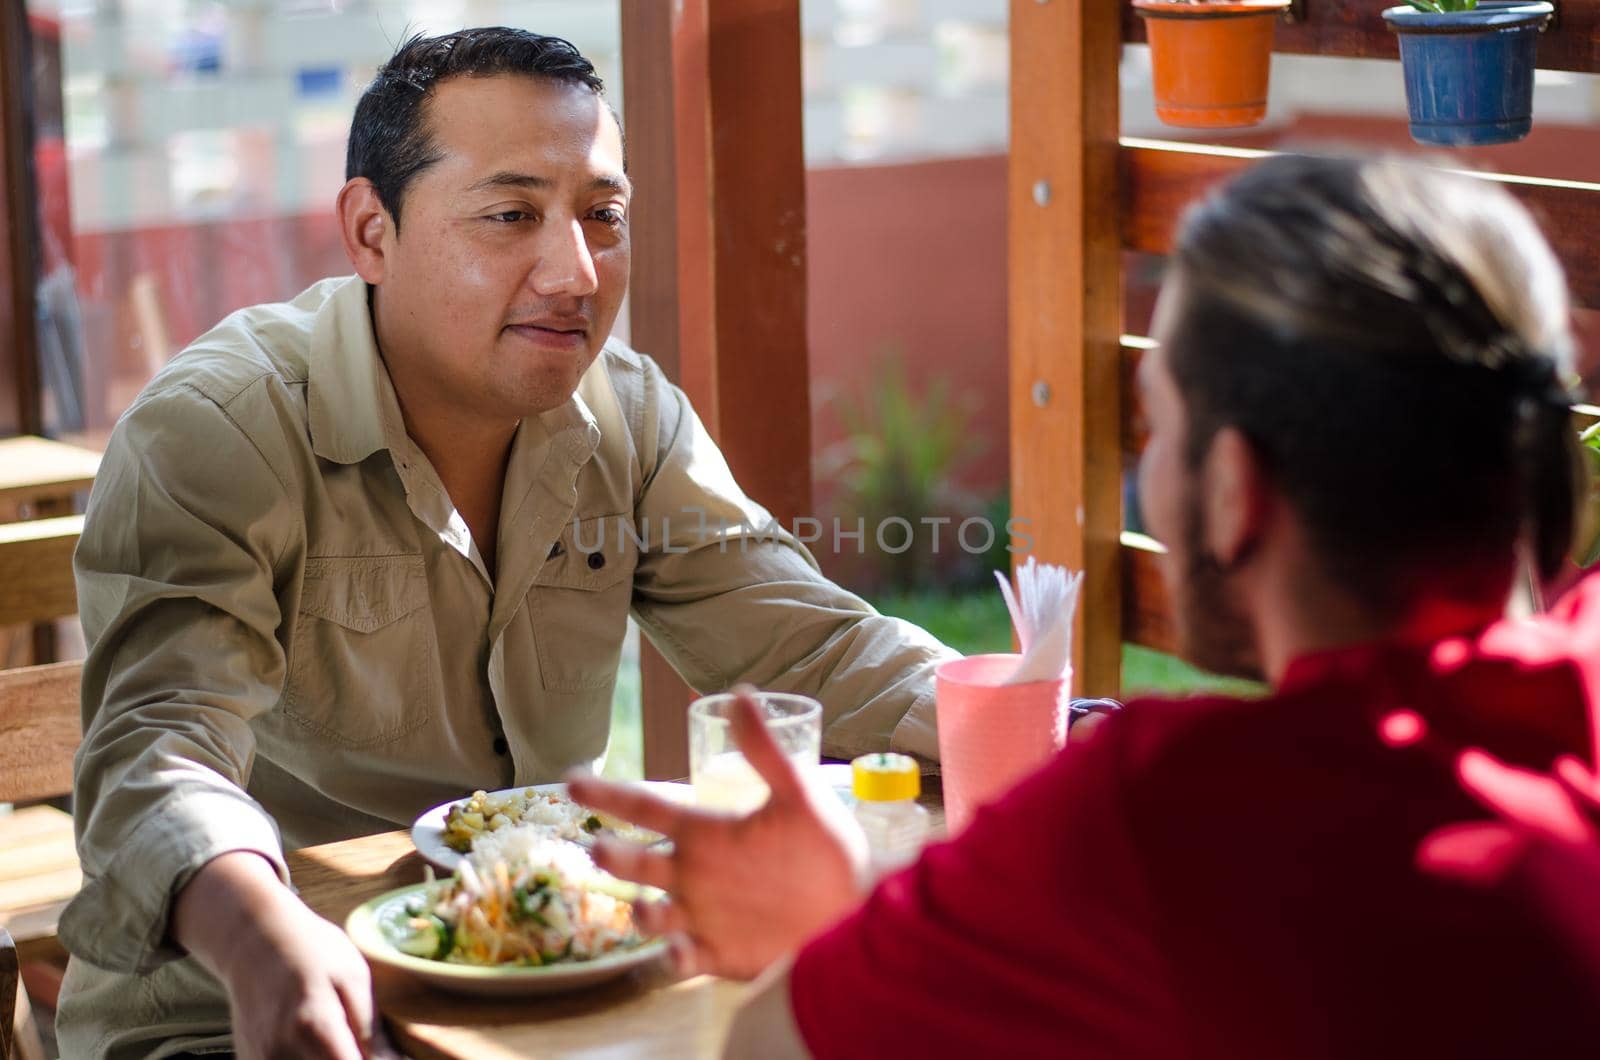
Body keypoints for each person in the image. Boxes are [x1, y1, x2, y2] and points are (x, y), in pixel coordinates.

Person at [571, 154, 1600, 1058]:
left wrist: (839, 933)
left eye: (1155, 425)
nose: (1148, 467)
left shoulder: (1164, 814)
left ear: (1235, 489)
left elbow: (768, 1049)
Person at [55, 28, 955, 1060]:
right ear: (370, 231)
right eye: (511, 214)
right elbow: (153, 752)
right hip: (240, 1009)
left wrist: (1049, 728)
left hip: (546, 988)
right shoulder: (222, 428)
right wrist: (260, 941)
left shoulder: (628, 418)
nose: (574, 271)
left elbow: (811, 649)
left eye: (602, 216)